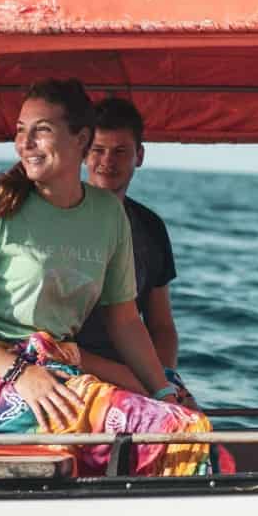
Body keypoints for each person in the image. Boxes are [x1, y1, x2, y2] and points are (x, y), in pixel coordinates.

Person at [0, 78, 213, 476]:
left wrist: (164, 391)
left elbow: (125, 321)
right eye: (21, 130)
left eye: (42, 130)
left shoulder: (108, 214)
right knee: (178, 430)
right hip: (2, 384)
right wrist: (21, 374)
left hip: (64, 375)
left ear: (79, 139)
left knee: (188, 418)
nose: (26, 142)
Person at [77, 97, 189, 401]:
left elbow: (161, 325)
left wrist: (165, 380)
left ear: (139, 156)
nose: (107, 161)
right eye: (98, 150)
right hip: (69, 369)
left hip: (134, 372)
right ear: (82, 154)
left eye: (120, 151)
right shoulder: (61, 217)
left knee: (191, 424)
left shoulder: (150, 226)